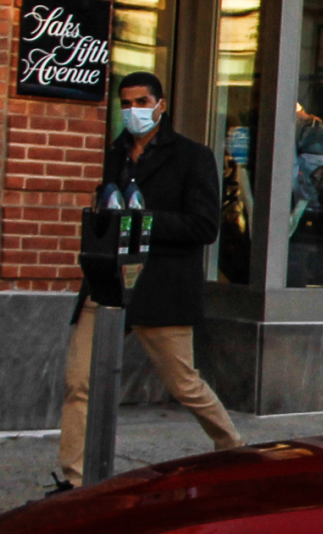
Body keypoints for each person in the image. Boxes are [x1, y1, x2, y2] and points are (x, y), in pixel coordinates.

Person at [56, 73, 245, 491]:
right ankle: (75, 482)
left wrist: (142, 223)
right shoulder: (114, 155)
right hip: (107, 280)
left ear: (160, 105)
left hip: (160, 284)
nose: (133, 111)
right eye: (126, 103)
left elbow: (204, 225)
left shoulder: (192, 156)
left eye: (141, 102)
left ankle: (234, 449)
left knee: (183, 383)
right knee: (79, 382)